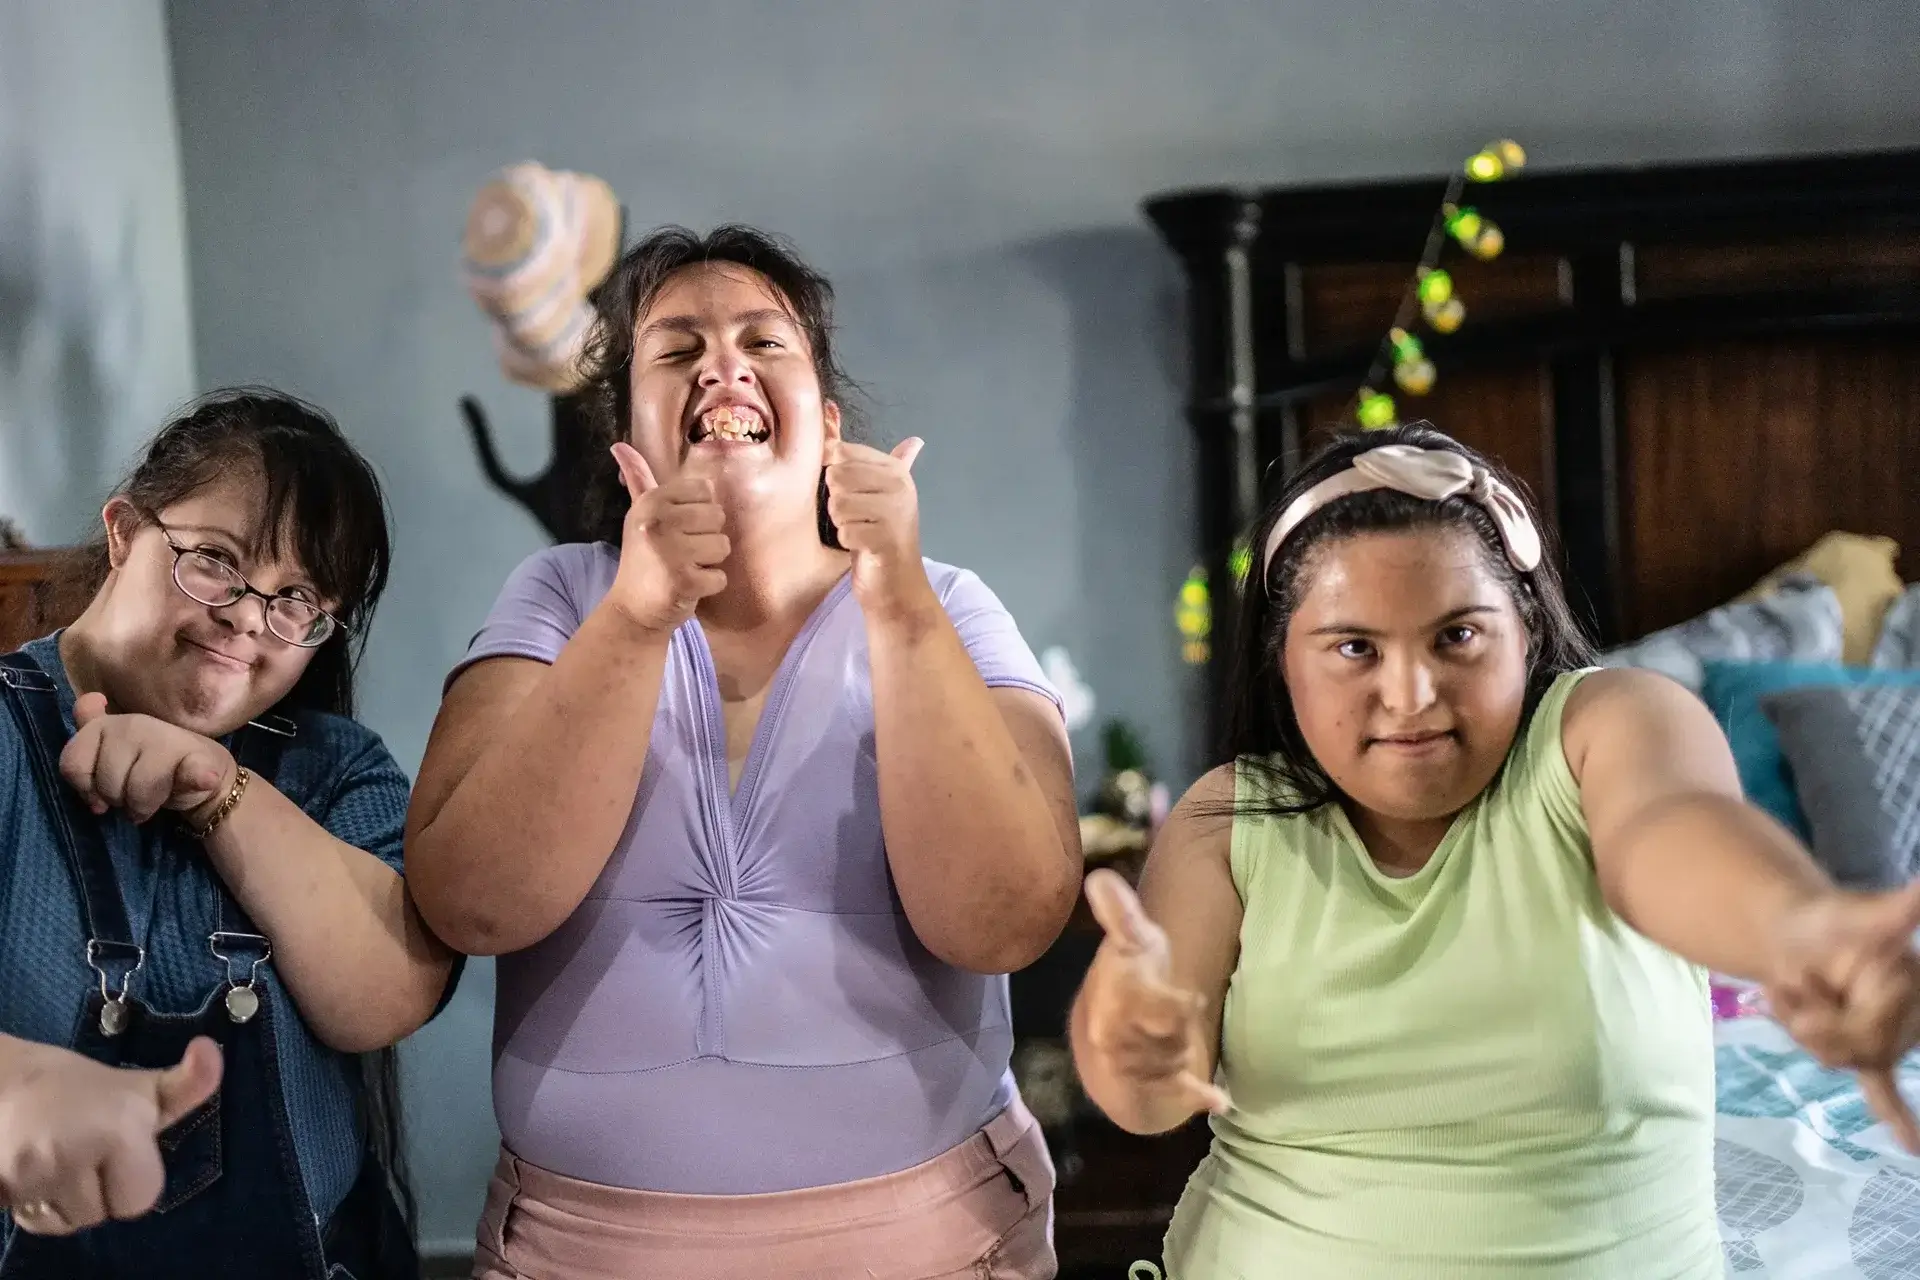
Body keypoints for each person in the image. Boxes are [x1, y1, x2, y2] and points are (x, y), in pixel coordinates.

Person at [1069, 422, 1920, 1279]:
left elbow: (1669, 833)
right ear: (1283, 661)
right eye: (1355, 648)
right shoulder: (1228, 819)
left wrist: (1798, 931)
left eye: (1457, 637)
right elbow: (1145, 1101)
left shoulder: (1609, 729)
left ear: (1526, 630)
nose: (1410, 696)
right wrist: (1127, 1043)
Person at [405, 225, 1081, 1280]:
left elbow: (1007, 919)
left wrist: (900, 602)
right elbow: (469, 903)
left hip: (934, 1248)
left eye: (764, 341)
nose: (723, 365)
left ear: (830, 425)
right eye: (677, 350)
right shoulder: (559, 596)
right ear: (627, 432)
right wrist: (636, 617)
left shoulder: (950, 604)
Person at [0, 390, 462, 1280]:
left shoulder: (337, 769)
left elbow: (388, 995)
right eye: (215, 561)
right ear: (122, 533)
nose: (251, 618)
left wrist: (221, 789)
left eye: (299, 600)